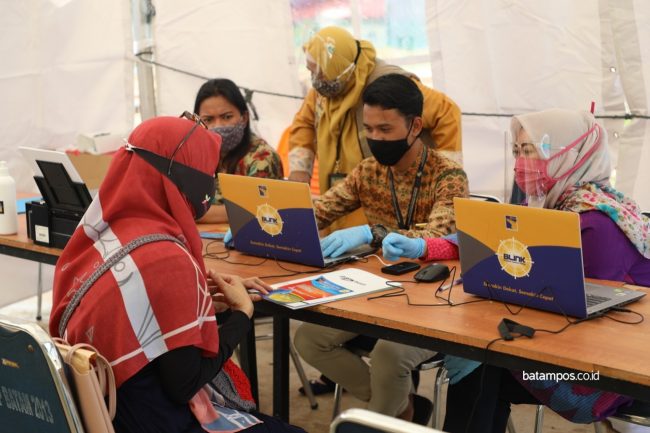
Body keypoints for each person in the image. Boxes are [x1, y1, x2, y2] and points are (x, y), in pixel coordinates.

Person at [386, 108, 650, 432]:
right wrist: (425, 248)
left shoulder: (595, 223)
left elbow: (586, 322)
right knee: (482, 360)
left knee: (482, 362)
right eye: (517, 151)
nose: (521, 163)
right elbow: (492, 244)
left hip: (602, 376)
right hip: (562, 350)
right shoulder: (551, 204)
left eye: (531, 150)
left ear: (571, 154)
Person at [49, 115, 307, 433]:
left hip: (107, 413)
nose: (211, 182)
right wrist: (242, 313)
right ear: (186, 178)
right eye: (208, 172)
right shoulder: (166, 259)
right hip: (156, 422)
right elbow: (184, 384)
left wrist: (198, 302)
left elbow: (137, 310)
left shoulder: (96, 237)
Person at [294, 73, 469, 425]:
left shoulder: (448, 175)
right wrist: (267, 221)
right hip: (377, 294)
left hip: (433, 302)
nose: (375, 138)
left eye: (385, 129)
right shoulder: (368, 171)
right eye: (369, 129)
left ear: (415, 126)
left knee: (389, 356)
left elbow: (436, 235)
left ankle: (377, 420)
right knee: (309, 339)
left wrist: (374, 233)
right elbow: (320, 210)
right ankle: (401, 409)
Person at [288, 26, 462, 231]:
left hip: (389, 206)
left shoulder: (390, 88)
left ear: (337, 67)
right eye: (310, 71)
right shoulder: (326, 88)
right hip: (347, 202)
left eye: (384, 128)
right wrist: (299, 172)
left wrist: (440, 168)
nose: (315, 80)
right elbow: (304, 123)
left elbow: (446, 112)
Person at [194, 78, 284, 224]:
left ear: (244, 118)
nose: (218, 126)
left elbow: (255, 210)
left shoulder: (262, 158)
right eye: (208, 120)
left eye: (227, 117)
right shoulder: (196, 157)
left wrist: (191, 213)